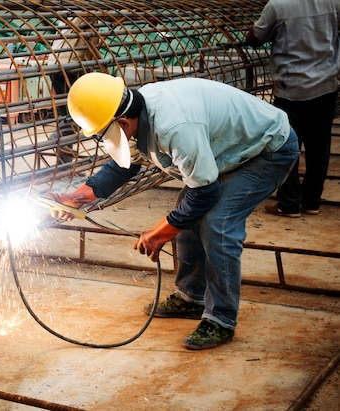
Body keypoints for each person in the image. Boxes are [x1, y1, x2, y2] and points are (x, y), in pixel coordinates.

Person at [48, 72, 299, 350]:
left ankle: (222, 319)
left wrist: (159, 233)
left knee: (218, 222)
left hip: (268, 148)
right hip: (231, 149)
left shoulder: (174, 127)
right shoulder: (135, 108)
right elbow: (125, 164)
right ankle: (191, 296)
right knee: (187, 214)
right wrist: (79, 196)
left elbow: (205, 193)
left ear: (121, 122)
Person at [246, 0, 340, 217]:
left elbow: (256, 37)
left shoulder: (278, 5)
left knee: (287, 146)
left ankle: (288, 204)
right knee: (320, 146)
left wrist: (251, 31)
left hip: (291, 89)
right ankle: (312, 202)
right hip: (326, 85)